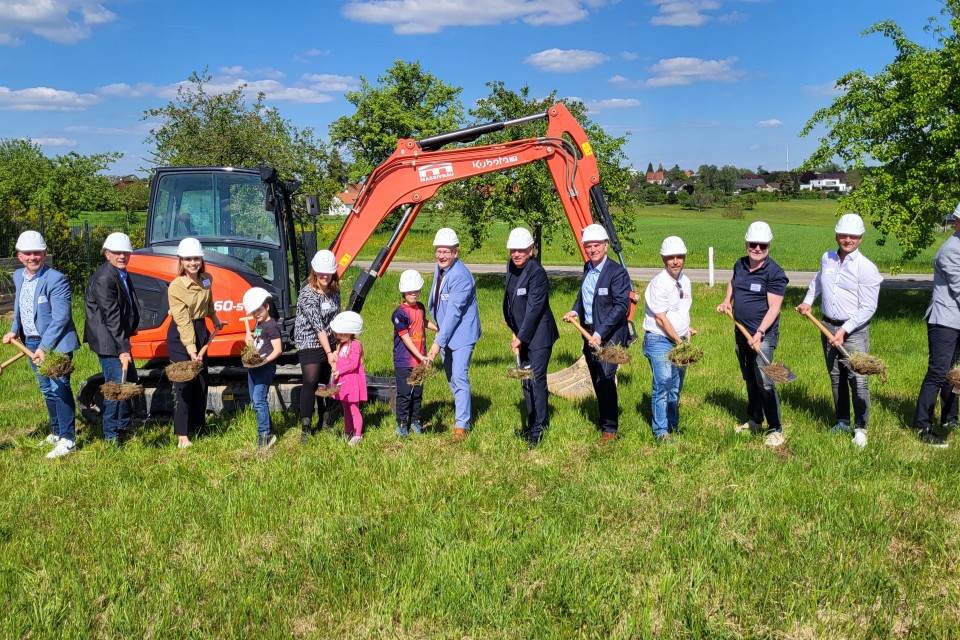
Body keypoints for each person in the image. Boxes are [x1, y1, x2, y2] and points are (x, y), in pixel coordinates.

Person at [796, 213, 882, 448]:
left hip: (854, 330)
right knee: (836, 376)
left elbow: (868, 307)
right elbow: (817, 282)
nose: (847, 240)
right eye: (843, 235)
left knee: (859, 379)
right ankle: (842, 421)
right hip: (826, 324)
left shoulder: (867, 268)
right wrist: (807, 301)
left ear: (861, 238)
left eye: (853, 236)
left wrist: (844, 330)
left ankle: (861, 429)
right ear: (836, 235)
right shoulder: (828, 258)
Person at [3, 230, 81, 459]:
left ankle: (69, 440)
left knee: (60, 388)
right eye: (28, 253)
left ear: (45, 254)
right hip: (31, 341)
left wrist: (43, 348)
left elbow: (61, 317)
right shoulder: (18, 276)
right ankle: (56, 432)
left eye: (37, 253)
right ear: (19, 256)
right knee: (47, 389)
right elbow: (20, 306)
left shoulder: (56, 279)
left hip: (55, 344)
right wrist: (14, 330)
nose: (32, 257)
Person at [716, 221, 789, 448]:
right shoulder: (740, 264)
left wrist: (759, 332)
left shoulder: (775, 273)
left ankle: (776, 429)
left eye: (762, 246)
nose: (757, 249)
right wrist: (727, 300)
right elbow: (732, 283)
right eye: (753, 244)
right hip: (741, 331)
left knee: (766, 381)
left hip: (762, 336)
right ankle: (755, 420)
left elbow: (774, 307)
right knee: (750, 379)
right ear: (746, 243)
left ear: (768, 246)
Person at [562, 223, 632, 442]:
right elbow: (585, 296)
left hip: (608, 337)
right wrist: (575, 310)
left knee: (606, 378)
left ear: (605, 246)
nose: (592, 250)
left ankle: (610, 429)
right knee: (596, 378)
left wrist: (600, 333)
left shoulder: (617, 273)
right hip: (588, 333)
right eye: (588, 246)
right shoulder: (588, 268)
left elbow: (622, 306)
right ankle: (604, 420)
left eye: (596, 246)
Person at [502, 227, 559, 447]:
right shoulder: (511, 266)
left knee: (536, 379)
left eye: (521, 250)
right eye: (513, 250)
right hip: (522, 333)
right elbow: (509, 298)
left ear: (531, 250)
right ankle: (532, 422)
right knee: (525, 381)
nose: (516, 254)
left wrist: (521, 337)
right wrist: (512, 327)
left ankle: (539, 428)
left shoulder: (537, 273)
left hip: (539, 336)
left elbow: (535, 309)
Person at [166, 237, 224, 449]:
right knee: (184, 384)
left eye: (196, 258)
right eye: (188, 259)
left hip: (201, 330)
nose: (193, 263)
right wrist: (191, 350)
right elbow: (182, 321)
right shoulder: (176, 287)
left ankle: (199, 427)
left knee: (201, 382)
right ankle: (183, 435)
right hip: (181, 337)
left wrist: (216, 321)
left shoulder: (206, 278)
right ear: (181, 261)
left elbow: (208, 303)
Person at [84, 232, 141, 445]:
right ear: (107, 254)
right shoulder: (104, 278)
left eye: (126, 253)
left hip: (117, 339)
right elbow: (112, 316)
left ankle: (123, 426)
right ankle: (111, 435)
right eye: (117, 253)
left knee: (130, 382)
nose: (122, 256)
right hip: (110, 342)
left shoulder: (121, 273)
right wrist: (123, 348)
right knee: (116, 388)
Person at [426, 228, 482, 442]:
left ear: (455, 252)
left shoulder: (461, 277)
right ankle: (462, 410)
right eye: (439, 251)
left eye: (446, 252)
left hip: (462, 335)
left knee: (459, 375)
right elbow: (439, 303)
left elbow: (454, 313)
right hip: (445, 332)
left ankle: (462, 424)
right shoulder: (440, 269)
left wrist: (437, 343)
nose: (441, 255)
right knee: (451, 377)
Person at [913, 202, 960, 448]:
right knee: (939, 373)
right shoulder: (951, 250)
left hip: (958, 320)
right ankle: (923, 426)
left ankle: (951, 418)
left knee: (955, 373)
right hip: (945, 320)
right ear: (957, 222)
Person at [642, 236, 695, 444]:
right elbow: (661, 319)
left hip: (679, 338)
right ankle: (661, 431)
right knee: (663, 383)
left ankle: (673, 424)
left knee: (675, 386)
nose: (675, 261)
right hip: (659, 339)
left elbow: (681, 309)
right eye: (671, 257)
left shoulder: (685, 281)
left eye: (679, 257)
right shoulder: (659, 284)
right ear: (663, 258)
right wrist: (679, 340)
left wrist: (686, 330)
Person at [294, 250, 341, 443]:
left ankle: (326, 420)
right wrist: (329, 353)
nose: (324, 276)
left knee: (328, 381)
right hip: (309, 339)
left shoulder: (335, 292)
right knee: (312, 380)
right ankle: (306, 426)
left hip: (329, 339)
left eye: (328, 272)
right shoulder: (307, 294)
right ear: (314, 272)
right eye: (320, 272)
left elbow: (336, 319)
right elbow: (317, 326)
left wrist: (338, 346)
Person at [392, 269, 438, 437]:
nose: (413, 294)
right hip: (405, 361)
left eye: (416, 290)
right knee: (404, 393)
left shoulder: (420, 307)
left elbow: (422, 321)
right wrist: (420, 356)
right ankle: (402, 424)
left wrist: (435, 328)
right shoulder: (399, 314)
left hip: (420, 359)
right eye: (410, 291)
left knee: (417, 393)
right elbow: (405, 338)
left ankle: (416, 421)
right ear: (403, 292)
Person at [243, 287, 282, 451]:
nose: (256, 314)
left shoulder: (271, 326)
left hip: (265, 368)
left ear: (267, 306)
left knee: (259, 400)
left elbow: (278, 349)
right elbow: (256, 344)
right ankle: (269, 431)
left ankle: (264, 434)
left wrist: (264, 361)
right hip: (254, 367)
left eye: (259, 310)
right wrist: (249, 339)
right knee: (255, 400)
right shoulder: (259, 324)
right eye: (253, 312)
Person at [330, 311, 367, 446]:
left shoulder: (355, 345)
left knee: (354, 409)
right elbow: (342, 360)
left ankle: (357, 434)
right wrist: (335, 356)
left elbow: (353, 364)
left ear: (349, 332)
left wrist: (339, 370)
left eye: (341, 334)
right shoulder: (342, 345)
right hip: (343, 383)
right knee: (345, 409)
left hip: (352, 383)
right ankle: (348, 431)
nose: (338, 336)